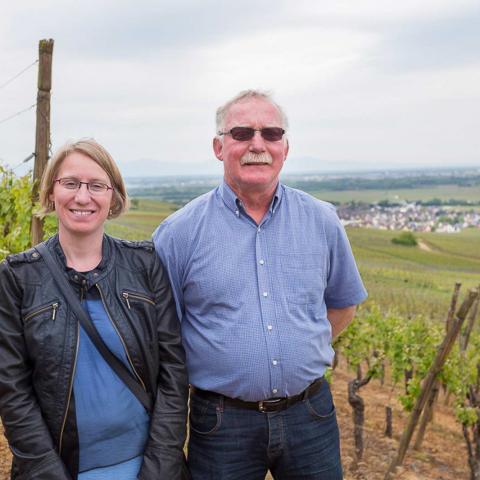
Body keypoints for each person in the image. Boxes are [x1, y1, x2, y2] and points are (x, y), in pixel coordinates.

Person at [153, 90, 368, 480]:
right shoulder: (178, 233)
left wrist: (300, 347)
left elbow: (343, 305)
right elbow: (164, 334)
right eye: (242, 132)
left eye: (271, 133)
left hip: (310, 414)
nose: (258, 144)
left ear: (285, 147)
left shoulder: (322, 221)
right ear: (219, 147)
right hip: (221, 424)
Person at [0, 139, 189, 479]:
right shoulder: (18, 277)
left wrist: (160, 468)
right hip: (60, 470)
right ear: (50, 193)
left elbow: (173, 373)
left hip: (144, 467)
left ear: (113, 197)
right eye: (70, 183)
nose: (83, 196)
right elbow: (13, 391)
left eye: (97, 185)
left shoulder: (145, 265)